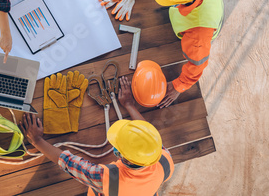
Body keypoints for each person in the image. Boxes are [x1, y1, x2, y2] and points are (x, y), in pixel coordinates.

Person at [99, 0, 224, 108]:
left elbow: (197, 65)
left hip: (203, 25)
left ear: (181, 2)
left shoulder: (198, 34)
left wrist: (179, 86)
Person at [21, 76, 174, 196]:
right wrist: (129, 104)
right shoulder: (164, 159)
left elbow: (69, 163)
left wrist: (37, 140)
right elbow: (146, 136)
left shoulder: (106, 179)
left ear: (124, 157)